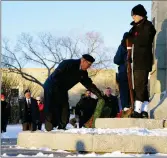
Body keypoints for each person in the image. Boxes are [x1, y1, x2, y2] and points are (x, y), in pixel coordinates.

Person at [43, 54, 103, 131]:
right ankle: (49, 127)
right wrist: (57, 92)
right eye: (88, 64)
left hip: (63, 89)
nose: (89, 67)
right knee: (51, 106)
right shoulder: (68, 63)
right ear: (83, 61)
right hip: (51, 86)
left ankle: (62, 126)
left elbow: (89, 85)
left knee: (65, 108)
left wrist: (100, 95)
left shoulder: (83, 73)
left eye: (90, 65)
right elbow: (56, 76)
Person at [128, 4, 156, 118]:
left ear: (140, 15)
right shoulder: (135, 27)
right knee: (141, 86)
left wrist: (132, 38)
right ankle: (144, 110)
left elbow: (143, 40)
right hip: (136, 60)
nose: (133, 17)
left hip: (143, 60)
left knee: (140, 85)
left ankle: (138, 110)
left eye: (134, 15)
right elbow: (128, 40)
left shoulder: (148, 26)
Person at [114, 32, 130, 113]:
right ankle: (127, 107)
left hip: (124, 72)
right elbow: (116, 60)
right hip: (127, 71)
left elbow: (116, 60)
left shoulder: (122, 47)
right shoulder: (123, 47)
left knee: (124, 91)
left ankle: (126, 107)